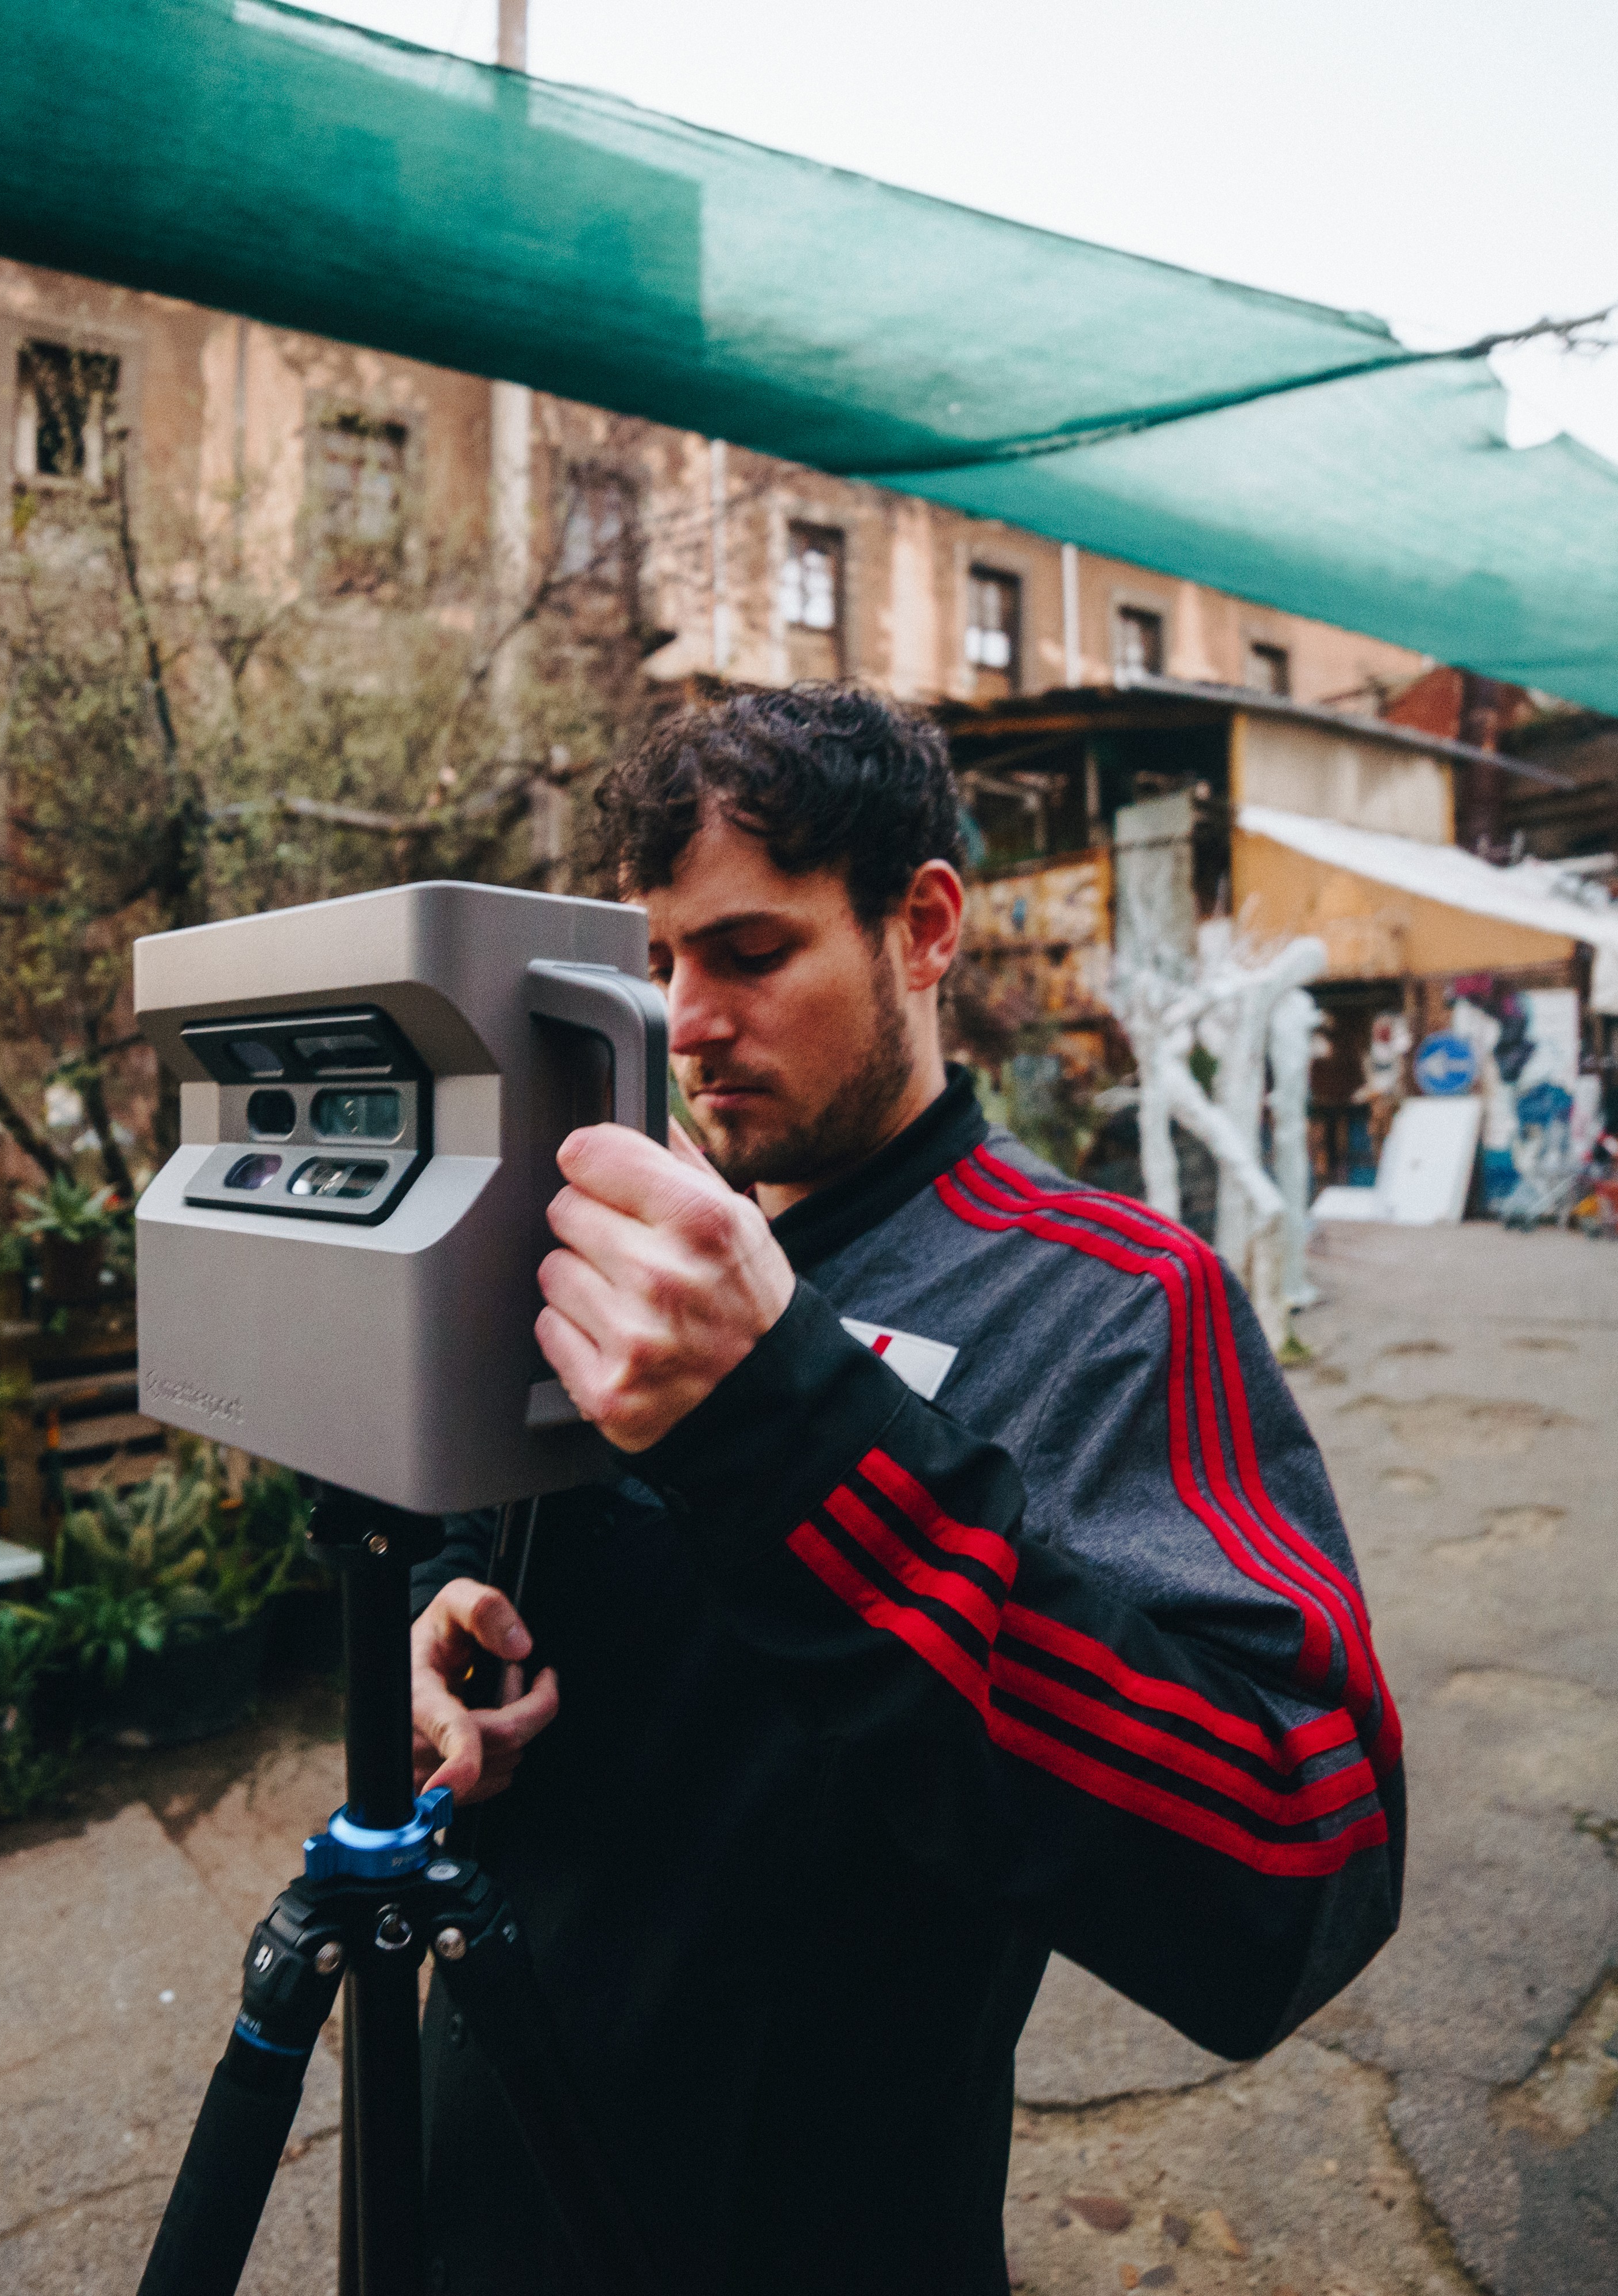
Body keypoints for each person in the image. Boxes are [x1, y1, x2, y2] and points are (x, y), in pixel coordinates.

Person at [408, 685, 1402, 2295]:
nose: (686, 1019)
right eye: (655, 966)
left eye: (749, 953)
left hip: (817, 2227)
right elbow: (483, 1540)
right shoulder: (624, 1251)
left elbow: (1298, 1863)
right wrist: (431, 1620)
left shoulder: (1110, 1302)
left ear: (921, 927)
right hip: (483, 2171)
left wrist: (787, 1420)